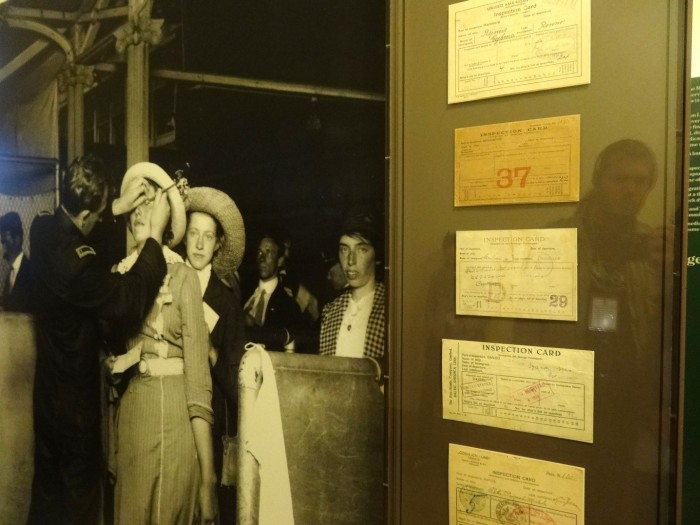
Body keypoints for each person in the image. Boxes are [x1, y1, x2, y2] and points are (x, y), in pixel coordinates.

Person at [27, 154, 169, 525]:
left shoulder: (41, 230)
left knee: (45, 504)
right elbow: (130, 297)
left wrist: (116, 207)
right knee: (80, 509)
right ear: (88, 216)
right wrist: (155, 236)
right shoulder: (77, 271)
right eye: (101, 213)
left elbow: (76, 236)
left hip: (46, 403)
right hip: (75, 413)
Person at [110, 163, 217, 525]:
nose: (141, 211)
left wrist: (208, 477)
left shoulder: (185, 278)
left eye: (150, 201)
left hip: (178, 424)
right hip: (133, 418)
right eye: (135, 203)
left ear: (166, 214)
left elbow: (200, 384)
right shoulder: (117, 278)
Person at [184, 186, 246, 525]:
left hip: (210, 423)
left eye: (208, 236)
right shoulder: (169, 284)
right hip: (172, 418)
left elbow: (237, 387)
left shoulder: (227, 303)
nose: (199, 244)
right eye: (193, 233)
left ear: (218, 244)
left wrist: (210, 352)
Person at [319, 211, 385, 363]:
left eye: (362, 249)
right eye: (344, 249)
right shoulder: (330, 312)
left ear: (377, 257)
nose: (350, 260)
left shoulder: (390, 311)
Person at [242, 231, 304, 351]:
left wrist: (252, 326)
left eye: (268, 252)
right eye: (259, 252)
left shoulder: (289, 307)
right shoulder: (243, 294)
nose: (262, 258)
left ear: (280, 261)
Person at [0, 211, 32, 312]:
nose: (3, 247)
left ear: (17, 239)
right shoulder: (12, 272)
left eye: (5, 242)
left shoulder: (29, 273)